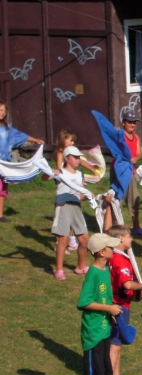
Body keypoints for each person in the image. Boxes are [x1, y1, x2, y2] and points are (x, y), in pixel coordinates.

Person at [78, 233, 129, 375]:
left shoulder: (105, 270)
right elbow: (84, 302)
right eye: (110, 247)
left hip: (105, 329)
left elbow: (104, 298)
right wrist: (109, 309)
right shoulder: (93, 273)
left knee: (106, 373)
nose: (113, 250)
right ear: (101, 252)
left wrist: (112, 311)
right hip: (93, 334)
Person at [107, 225, 142, 375]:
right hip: (119, 307)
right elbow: (126, 284)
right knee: (114, 346)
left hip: (120, 305)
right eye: (129, 236)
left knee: (118, 344)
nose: (131, 239)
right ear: (120, 238)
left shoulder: (114, 256)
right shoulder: (120, 260)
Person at [42, 146, 92, 280]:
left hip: (76, 207)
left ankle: (81, 266)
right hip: (62, 205)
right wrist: (51, 172)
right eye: (75, 157)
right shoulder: (60, 172)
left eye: (79, 157)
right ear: (67, 158)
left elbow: (81, 195)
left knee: (84, 238)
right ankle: (59, 270)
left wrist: (88, 196)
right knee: (63, 239)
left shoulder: (80, 174)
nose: (78, 160)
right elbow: (44, 178)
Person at [53, 129, 99, 252]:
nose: (73, 143)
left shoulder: (74, 154)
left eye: (73, 141)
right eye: (71, 140)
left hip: (73, 185)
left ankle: (72, 241)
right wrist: (61, 177)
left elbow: (82, 162)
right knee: (63, 218)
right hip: (63, 187)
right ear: (63, 140)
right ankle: (59, 243)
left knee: (73, 213)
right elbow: (59, 169)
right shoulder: (60, 153)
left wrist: (94, 171)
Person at [0, 100, 44, 223]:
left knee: (1, 189)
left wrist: (36, 140)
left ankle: (0, 215)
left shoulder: (8, 129)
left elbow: (21, 136)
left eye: (3, 110)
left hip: (4, 164)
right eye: (0, 110)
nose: (1, 113)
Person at [107, 111, 142, 234]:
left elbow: (139, 153)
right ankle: (115, 227)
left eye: (134, 122)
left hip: (130, 171)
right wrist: (116, 134)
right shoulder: (120, 134)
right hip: (118, 171)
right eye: (129, 122)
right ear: (123, 123)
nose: (132, 125)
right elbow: (112, 144)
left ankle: (136, 227)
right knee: (117, 198)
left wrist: (136, 158)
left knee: (134, 198)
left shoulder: (136, 137)